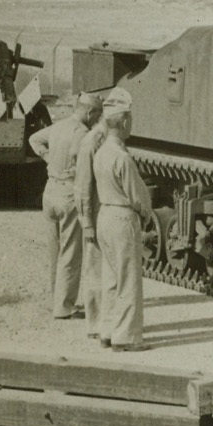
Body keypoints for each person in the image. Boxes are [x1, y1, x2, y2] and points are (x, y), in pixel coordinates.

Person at [29, 92, 103, 319]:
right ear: (90, 112)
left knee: (55, 251)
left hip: (50, 190)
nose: (97, 120)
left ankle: (56, 300)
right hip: (69, 195)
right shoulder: (83, 134)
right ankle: (64, 307)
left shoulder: (58, 126)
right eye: (97, 116)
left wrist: (49, 158)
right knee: (70, 253)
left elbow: (34, 139)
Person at [92, 88, 152, 351]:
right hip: (122, 218)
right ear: (125, 121)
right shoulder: (122, 157)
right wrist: (146, 213)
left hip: (104, 215)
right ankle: (126, 338)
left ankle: (107, 331)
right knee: (128, 280)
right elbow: (137, 196)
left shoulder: (102, 152)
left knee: (110, 278)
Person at [74, 97, 108, 339]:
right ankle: (94, 325)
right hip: (95, 215)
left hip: (106, 214)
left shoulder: (105, 138)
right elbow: (83, 187)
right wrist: (87, 223)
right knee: (95, 271)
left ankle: (106, 322)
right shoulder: (92, 142)